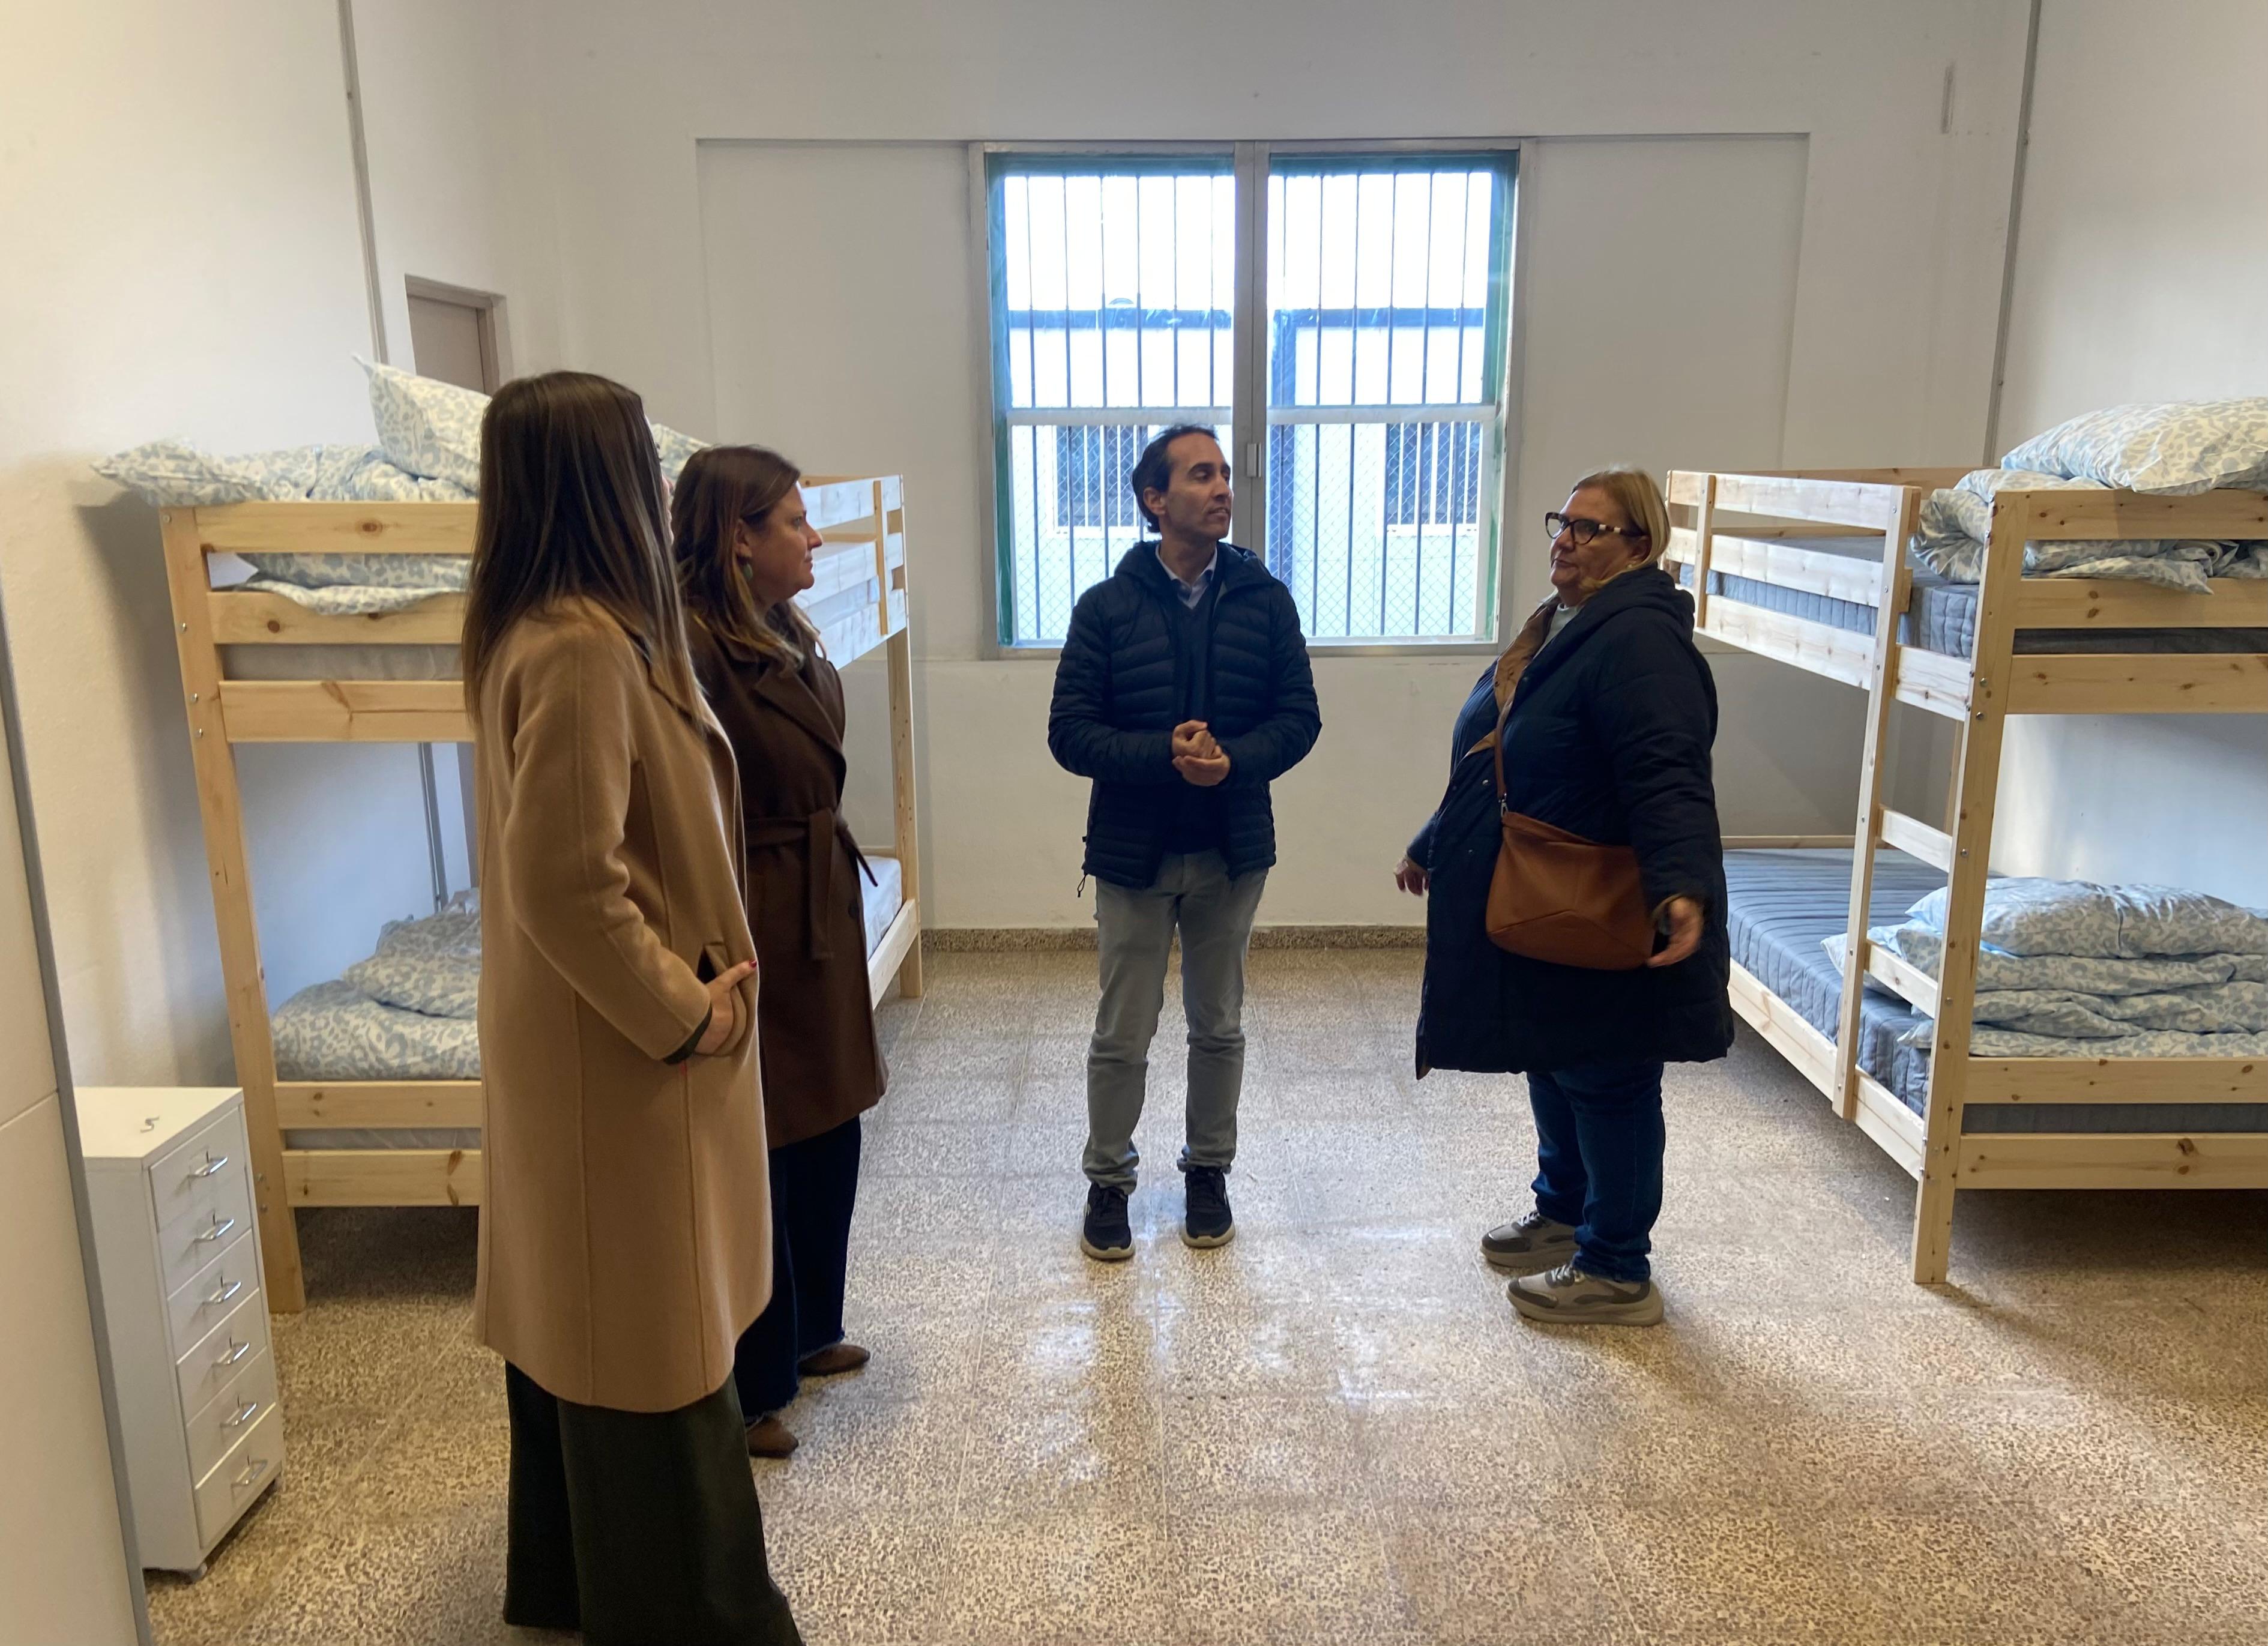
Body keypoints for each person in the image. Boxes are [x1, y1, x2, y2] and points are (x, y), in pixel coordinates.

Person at [463, 372, 802, 1643]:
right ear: (599, 481)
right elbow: (567, 882)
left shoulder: (540, 628)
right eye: (642, 461)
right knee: (651, 1346)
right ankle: (699, 1617)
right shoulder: (579, 648)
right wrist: (684, 1012)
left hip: (579, 1052)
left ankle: (565, 1582)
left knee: (586, 1327)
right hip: (623, 1058)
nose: (664, 487)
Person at [1397, 465, 1732, 1327]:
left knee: (1608, 1073)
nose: (1566, 541)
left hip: (1600, 894)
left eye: (1590, 529)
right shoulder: (1564, 626)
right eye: (1564, 522)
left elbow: (1667, 772)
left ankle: (1616, 1267)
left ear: (1639, 545)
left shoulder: (1641, 642)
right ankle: (1563, 1211)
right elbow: (1501, 754)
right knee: (1553, 1052)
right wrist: (1437, 840)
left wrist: (1681, 885)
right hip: (1545, 886)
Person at [1047, 424, 1321, 1260]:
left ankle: (1208, 1172)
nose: (1222, 488)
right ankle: (1108, 1181)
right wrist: (1162, 754)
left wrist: (1232, 761)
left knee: (1219, 1025)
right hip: (1134, 853)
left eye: (1224, 473)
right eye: (1201, 475)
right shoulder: (1106, 607)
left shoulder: (1265, 601)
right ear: (1155, 500)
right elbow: (1069, 733)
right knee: (1122, 1031)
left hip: (1231, 850)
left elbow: (1299, 719)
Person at [672, 445, 885, 1461]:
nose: (814, 537)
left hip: (816, 898)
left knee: (830, 1123)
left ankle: (810, 1328)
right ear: (738, 537)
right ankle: (751, 1382)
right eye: (794, 522)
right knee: (763, 1146)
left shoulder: (786, 627)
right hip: (756, 906)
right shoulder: (691, 649)